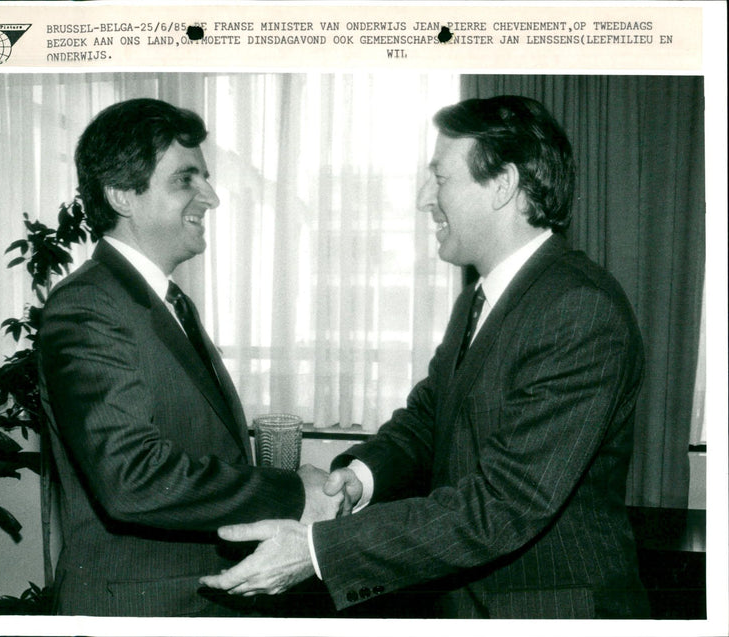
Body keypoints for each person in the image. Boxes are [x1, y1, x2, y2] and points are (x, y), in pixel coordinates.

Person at [200, 95, 650, 619]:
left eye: (441, 178)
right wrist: (358, 478)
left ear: (502, 185)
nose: (423, 199)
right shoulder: (481, 298)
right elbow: (431, 418)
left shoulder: (579, 309)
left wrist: (320, 551)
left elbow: (505, 504)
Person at [38, 98, 340, 617]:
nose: (212, 197)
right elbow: (132, 479)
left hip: (194, 599)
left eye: (205, 178)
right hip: (138, 608)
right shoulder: (86, 308)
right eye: (186, 180)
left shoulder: (166, 302)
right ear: (121, 196)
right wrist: (290, 493)